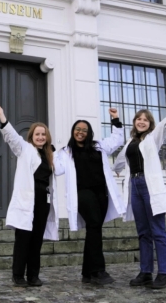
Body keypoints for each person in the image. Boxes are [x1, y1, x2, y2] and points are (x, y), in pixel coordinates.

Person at [112, 96, 166, 289]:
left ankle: (163, 274)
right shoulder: (129, 143)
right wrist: (114, 170)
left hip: (149, 186)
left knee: (158, 232)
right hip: (134, 186)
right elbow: (118, 161)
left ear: (149, 124)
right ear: (135, 122)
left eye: (145, 119)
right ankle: (145, 272)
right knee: (143, 232)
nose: (141, 121)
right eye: (138, 119)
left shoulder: (153, 138)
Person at [0, 103, 63, 287]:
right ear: (32, 136)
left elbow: (62, 170)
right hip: (27, 201)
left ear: (47, 137)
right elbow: (12, 137)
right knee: (23, 239)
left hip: (43, 202)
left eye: (43, 134)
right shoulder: (24, 149)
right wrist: (2, 116)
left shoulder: (50, 155)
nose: (40, 137)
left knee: (37, 240)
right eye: (37, 134)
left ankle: (33, 276)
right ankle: (18, 276)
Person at [55, 108, 126, 285]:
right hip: (82, 194)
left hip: (101, 193)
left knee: (94, 229)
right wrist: (48, 150)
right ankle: (98, 271)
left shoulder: (98, 146)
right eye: (77, 129)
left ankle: (87, 272)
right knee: (94, 224)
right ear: (73, 131)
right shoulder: (65, 152)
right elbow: (57, 169)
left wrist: (115, 119)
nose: (80, 132)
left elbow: (118, 140)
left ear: (89, 133)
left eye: (84, 130)